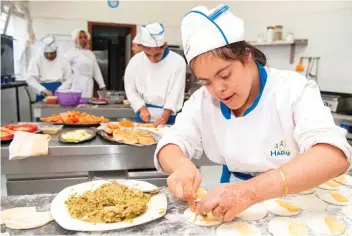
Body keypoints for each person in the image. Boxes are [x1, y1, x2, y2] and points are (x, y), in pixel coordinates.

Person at [154, 4, 352, 222]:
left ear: (247, 57)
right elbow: (171, 143)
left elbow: (334, 155)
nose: (218, 89)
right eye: (207, 81)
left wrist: (250, 192)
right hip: (232, 206)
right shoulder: (202, 101)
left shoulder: (292, 90)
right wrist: (181, 166)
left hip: (296, 201)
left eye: (225, 75)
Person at [124, 23, 186, 126]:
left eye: (157, 55)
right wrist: (142, 108)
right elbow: (130, 88)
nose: (152, 59)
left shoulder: (178, 62)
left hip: (168, 116)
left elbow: (176, 91)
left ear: (165, 46)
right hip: (143, 115)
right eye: (148, 55)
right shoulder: (135, 61)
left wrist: (165, 115)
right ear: (142, 47)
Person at [26, 35, 74, 102]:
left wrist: (60, 90)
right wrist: (42, 90)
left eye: (52, 53)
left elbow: (70, 78)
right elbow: (30, 79)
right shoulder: (36, 59)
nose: (49, 56)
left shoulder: (63, 59)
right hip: (42, 93)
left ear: (56, 50)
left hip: (59, 91)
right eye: (46, 53)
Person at [65, 29, 106, 98]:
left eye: (85, 37)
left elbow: (96, 71)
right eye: (80, 37)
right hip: (76, 83)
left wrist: (102, 86)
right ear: (75, 40)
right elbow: (65, 69)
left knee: (87, 104)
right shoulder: (70, 53)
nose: (83, 39)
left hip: (89, 84)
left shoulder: (91, 54)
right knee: (76, 105)